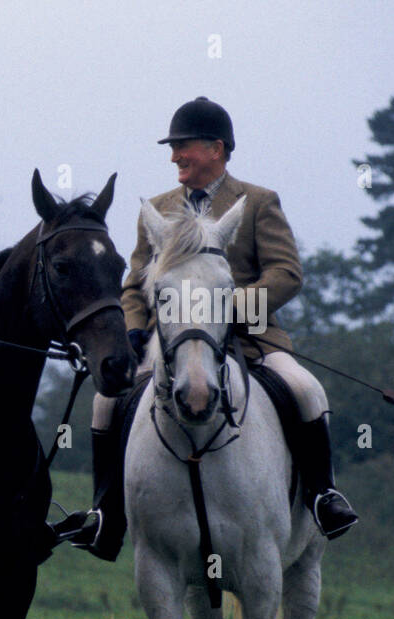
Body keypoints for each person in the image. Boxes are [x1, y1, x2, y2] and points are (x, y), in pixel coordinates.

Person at [76, 97, 357, 561]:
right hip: (170, 339)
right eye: (172, 148)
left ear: (216, 148)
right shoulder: (158, 209)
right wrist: (133, 329)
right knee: (106, 402)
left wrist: (228, 308)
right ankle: (106, 513)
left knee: (306, 390)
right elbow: (134, 284)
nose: (174, 157)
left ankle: (323, 497)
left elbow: (286, 274)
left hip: (249, 336)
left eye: (182, 146)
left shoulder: (259, 202)